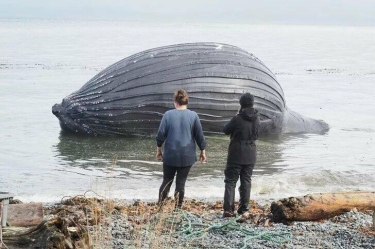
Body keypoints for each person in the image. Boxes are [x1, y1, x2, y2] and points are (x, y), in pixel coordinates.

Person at [156, 89, 206, 209]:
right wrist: (203, 150)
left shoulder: (168, 115)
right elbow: (199, 135)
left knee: (167, 180)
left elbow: (160, 134)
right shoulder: (193, 116)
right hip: (187, 155)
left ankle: (160, 207)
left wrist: (159, 149)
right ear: (186, 102)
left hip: (170, 155)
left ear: (175, 102)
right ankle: (177, 209)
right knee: (181, 183)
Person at [222, 92, 260, 219]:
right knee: (246, 181)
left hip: (236, 154)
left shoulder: (237, 118)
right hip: (251, 154)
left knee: (230, 181)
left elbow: (225, 130)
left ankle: (228, 210)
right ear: (252, 103)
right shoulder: (257, 117)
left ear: (241, 104)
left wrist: (235, 117)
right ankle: (244, 209)